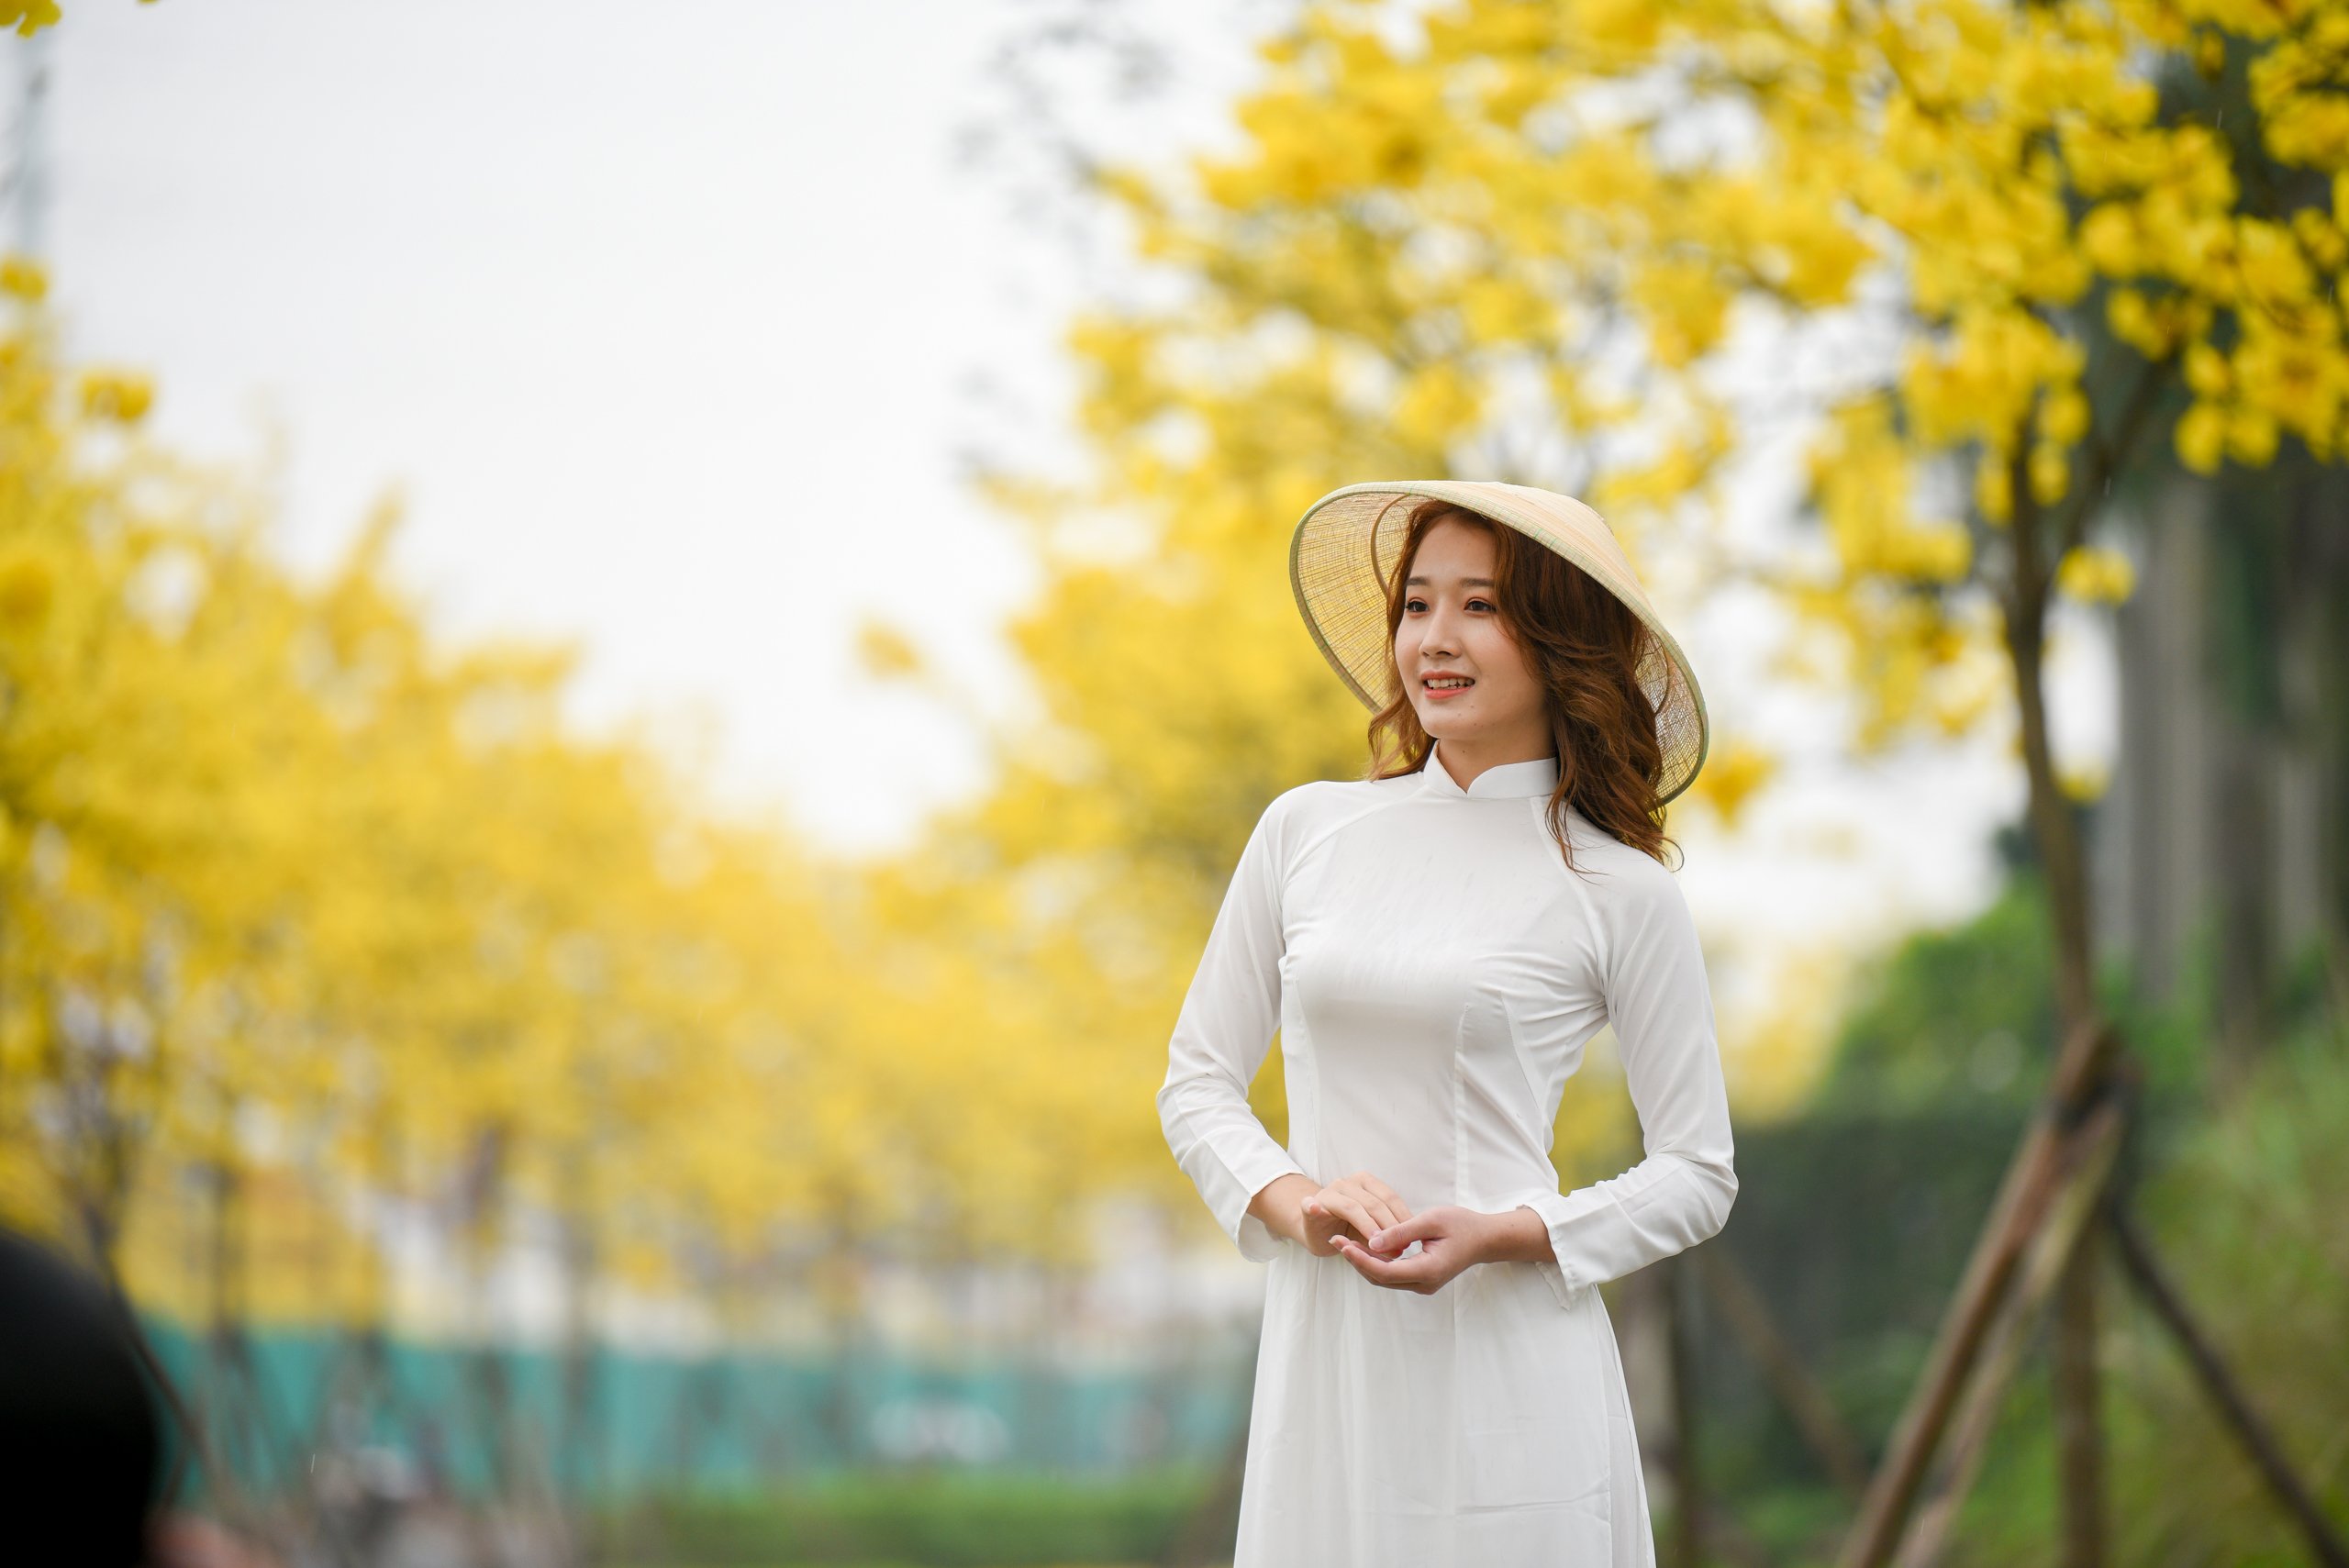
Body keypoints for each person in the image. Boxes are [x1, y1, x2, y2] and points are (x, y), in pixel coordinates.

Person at [1158, 480, 1737, 1567]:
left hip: (1511, 1369)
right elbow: (1195, 1080)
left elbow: (1698, 1171)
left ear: (1561, 642)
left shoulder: (1618, 889)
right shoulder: (1308, 831)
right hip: (1327, 1365)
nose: (1436, 636)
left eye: (1480, 605)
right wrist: (1298, 1200)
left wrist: (1508, 1231)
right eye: (1417, 604)